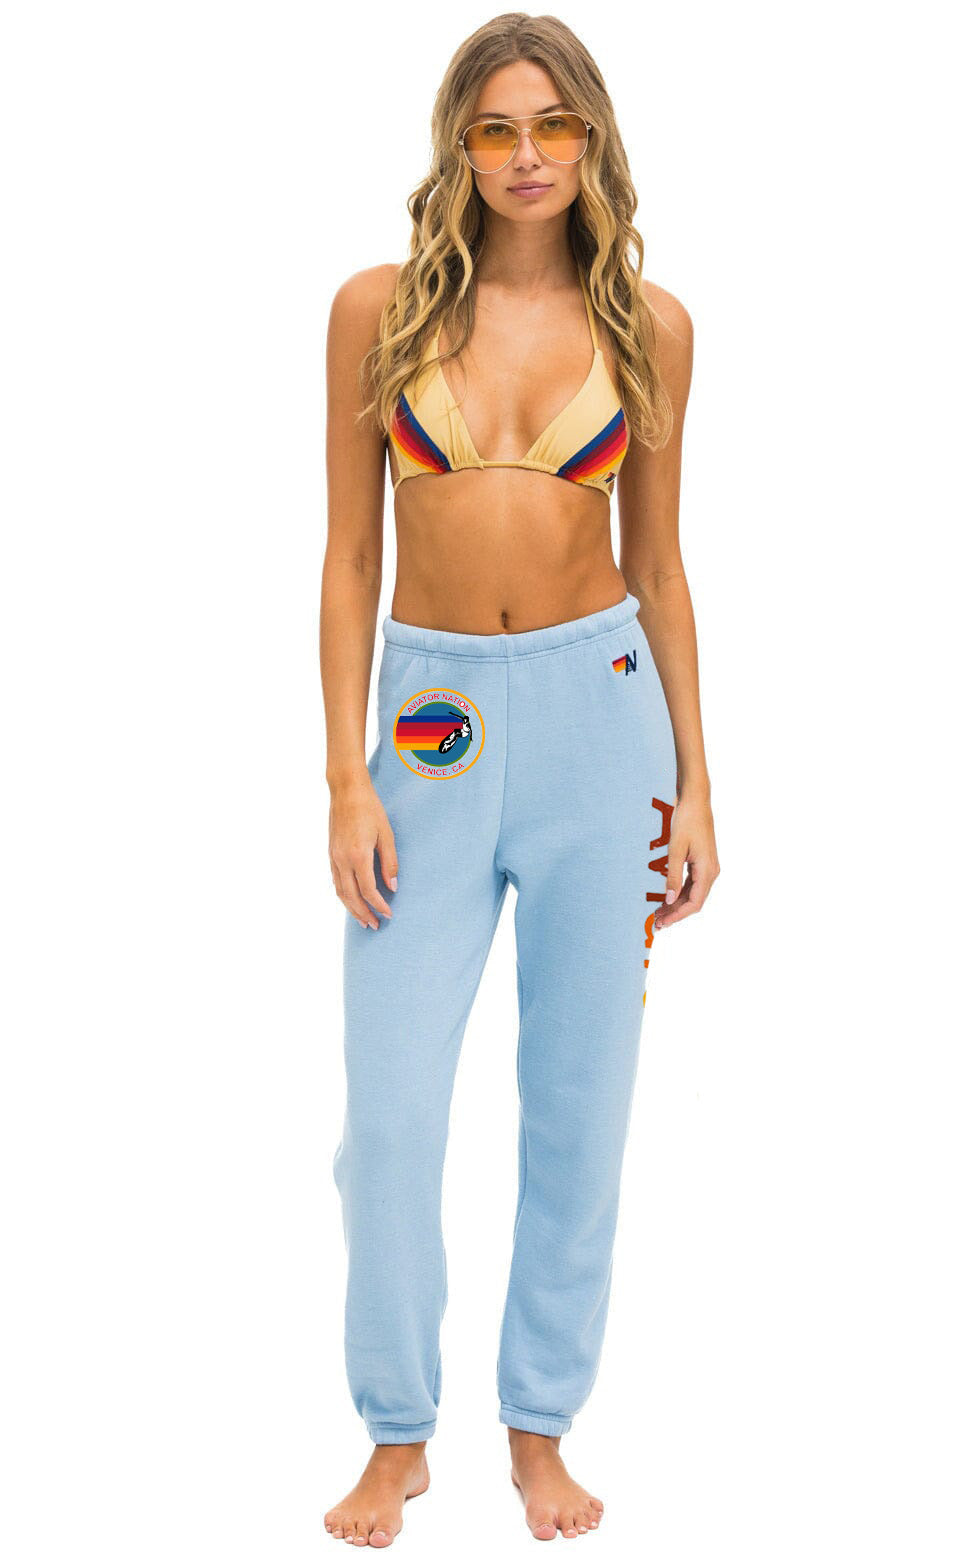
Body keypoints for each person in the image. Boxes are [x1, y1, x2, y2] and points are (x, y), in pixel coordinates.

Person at [319, 13, 719, 1547]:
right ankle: (396, 1433)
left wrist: (697, 789)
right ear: (460, 147)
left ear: (592, 138)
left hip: (598, 728)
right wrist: (345, 779)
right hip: (427, 727)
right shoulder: (377, 311)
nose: (528, 155)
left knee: (578, 1102)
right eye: (497, 128)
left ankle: (540, 1426)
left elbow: (660, 569)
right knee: (392, 1112)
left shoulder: (652, 327)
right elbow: (350, 558)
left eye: (554, 125)